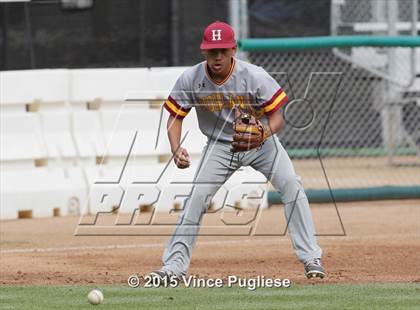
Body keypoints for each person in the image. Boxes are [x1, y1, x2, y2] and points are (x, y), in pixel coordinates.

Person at [152, 21, 324, 281]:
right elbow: (175, 117)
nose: (217, 56)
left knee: (292, 185)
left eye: (222, 50)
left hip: (261, 144)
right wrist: (176, 148)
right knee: (197, 197)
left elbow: (278, 117)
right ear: (203, 52)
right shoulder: (191, 78)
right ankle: (173, 268)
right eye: (212, 51)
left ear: (233, 50)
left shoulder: (254, 75)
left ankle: (311, 257)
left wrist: (264, 133)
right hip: (220, 146)